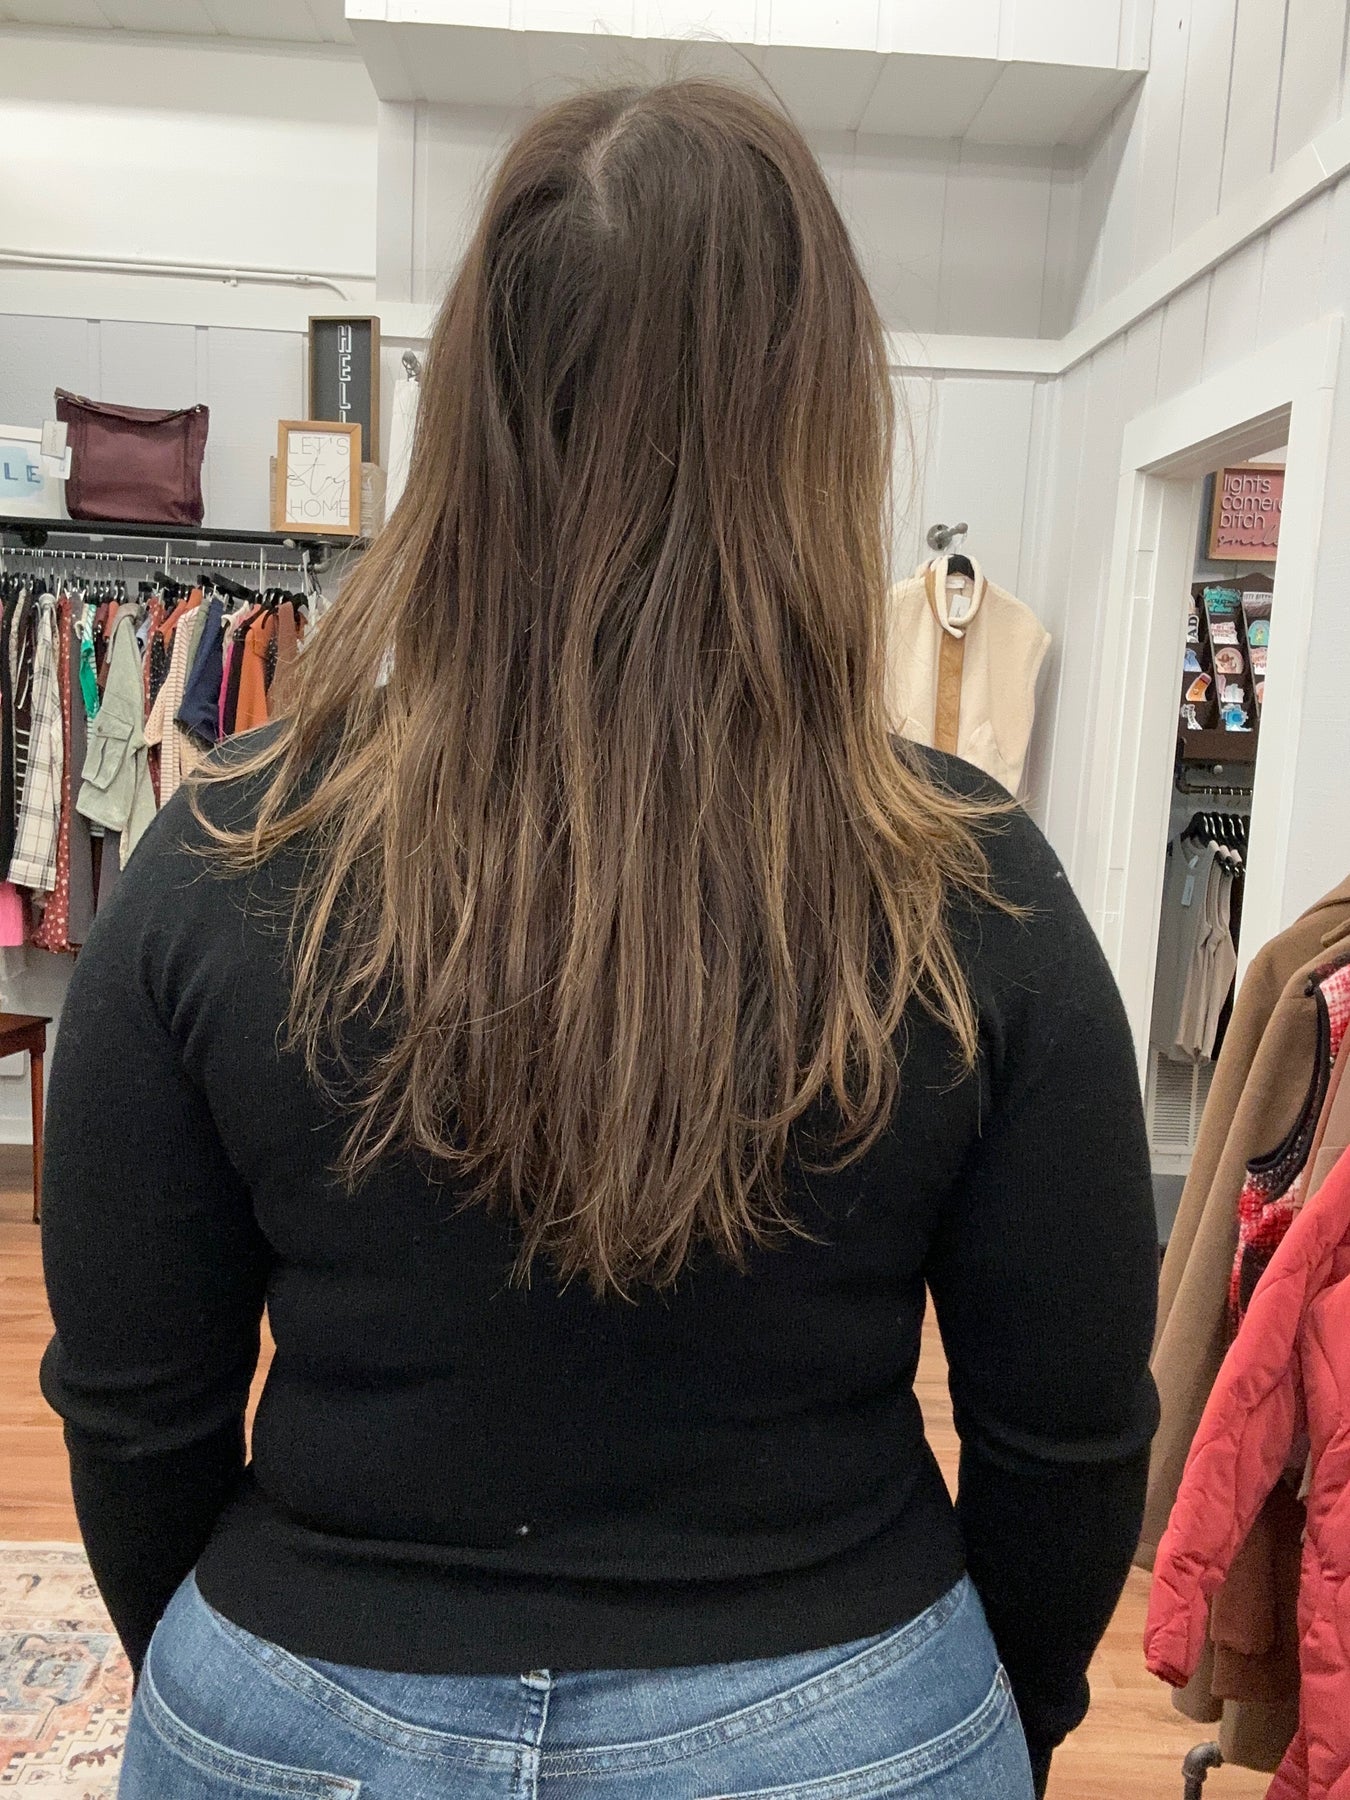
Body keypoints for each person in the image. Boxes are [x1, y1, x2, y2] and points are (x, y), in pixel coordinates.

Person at [40, 79, 1158, 1800]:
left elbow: (135, 1417)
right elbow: (1065, 1437)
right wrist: (985, 1730)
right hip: (847, 1701)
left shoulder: (222, 858)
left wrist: (249, 1695)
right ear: (820, 422)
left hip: (297, 1701)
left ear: (470, 412)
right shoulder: (972, 886)